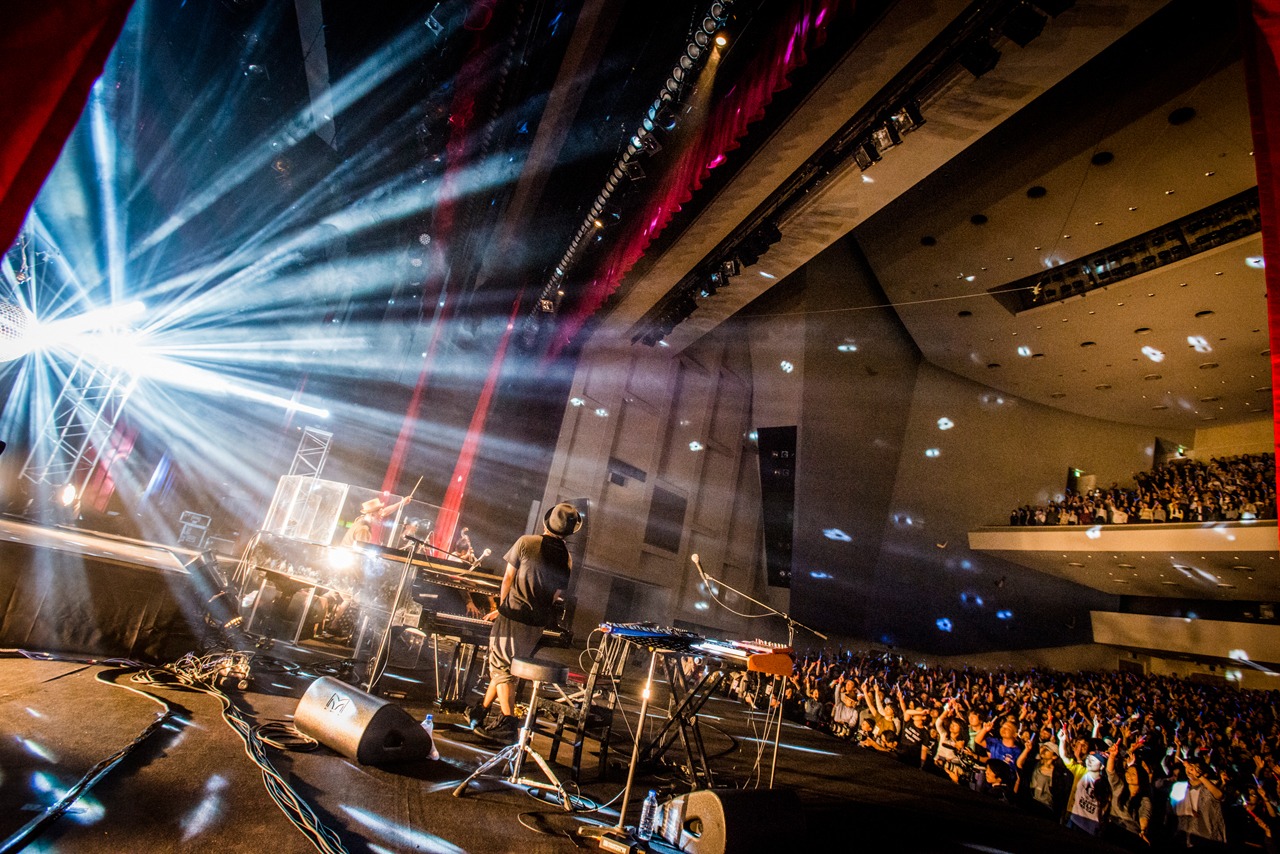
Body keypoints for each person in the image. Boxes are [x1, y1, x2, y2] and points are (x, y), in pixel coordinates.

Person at [468, 502, 582, 741]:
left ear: (546, 522)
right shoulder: (567, 558)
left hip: (514, 614)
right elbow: (556, 595)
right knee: (508, 668)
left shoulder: (526, 542)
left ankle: (508, 724)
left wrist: (501, 608)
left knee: (500, 667)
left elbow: (508, 579)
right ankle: (482, 710)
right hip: (537, 622)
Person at [343, 491, 414, 547]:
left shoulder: (361, 519)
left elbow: (385, 511)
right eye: (379, 513)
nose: (382, 515)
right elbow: (361, 551)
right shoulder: (363, 529)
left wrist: (402, 503)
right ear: (372, 515)